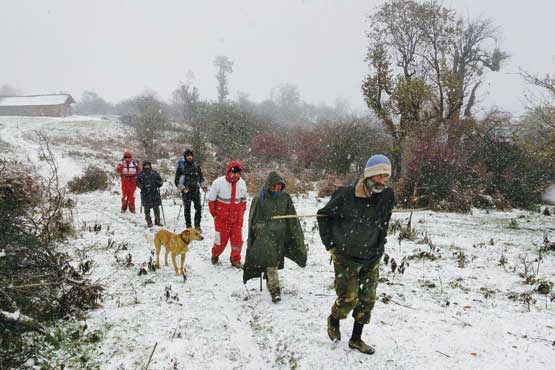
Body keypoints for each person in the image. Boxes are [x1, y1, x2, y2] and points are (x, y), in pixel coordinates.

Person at [317, 154, 395, 355]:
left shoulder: (387, 196)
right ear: (368, 175)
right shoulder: (345, 195)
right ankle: (334, 319)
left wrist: (381, 243)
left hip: (372, 255)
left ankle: (356, 339)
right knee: (349, 298)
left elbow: (384, 221)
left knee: (367, 300)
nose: (381, 181)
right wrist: (331, 245)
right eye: (377, 176)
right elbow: (323, 216)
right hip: (346, 257)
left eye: (385, 176)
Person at [243, 171, 306, 303]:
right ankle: (275, 290)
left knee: (275, 260)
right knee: (271, 260)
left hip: (280, 235)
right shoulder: (259, 199)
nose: (277, 188)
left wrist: (296, 236)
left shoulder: (285, 198)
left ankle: (269, 276)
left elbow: (292, 218)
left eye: (279, 186)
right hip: (265, 235)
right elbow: (253, 221)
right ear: (269, 185)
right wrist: (262, 228)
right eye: (274, 186)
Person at [207, 161, 247, 268]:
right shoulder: (218, 183)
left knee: (237, 241)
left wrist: (241, 214)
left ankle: (235, 260)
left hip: (236, 220)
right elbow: (211, 201)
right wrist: (215, 215)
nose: (235, 175)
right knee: (220, 241)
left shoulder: (242, 184)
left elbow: (244, 201)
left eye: (238, 173)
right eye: (233, 172)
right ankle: (215, 254)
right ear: (228, 172)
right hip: (222, 219)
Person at [174, 149, 206, 232]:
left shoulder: (196, 166)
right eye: (187, 155)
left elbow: (201, 177)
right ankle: (188, 227)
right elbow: (177, 180)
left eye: (190, 155)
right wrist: (182, 188)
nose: (189, 157)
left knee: (198, 208)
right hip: (186, 191)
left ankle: (197, 226)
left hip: (196, 190)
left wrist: (203, 186)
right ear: (185, 157)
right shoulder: (181, 167)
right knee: (187, 210)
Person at [136, 160, 164, 227]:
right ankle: (149, 222)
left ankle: (157, 221)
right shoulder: (140, 174)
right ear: (143, 166)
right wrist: (142, 186)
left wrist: (159, 183)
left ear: (150, 165)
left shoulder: (154, 173)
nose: (147, 166)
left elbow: (160, 180)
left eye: (148, 165)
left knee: (156, 208)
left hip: (154, 192)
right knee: (147, 209)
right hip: (145, 194)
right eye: (145, 165)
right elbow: (137, 183)